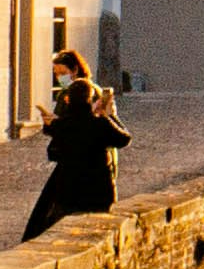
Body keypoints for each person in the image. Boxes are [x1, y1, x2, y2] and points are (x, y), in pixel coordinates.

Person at [22, 59, 126, 239]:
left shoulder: (64, 124)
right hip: (98, 191)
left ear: (69, 99)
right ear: (90, 99)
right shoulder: (100, 124)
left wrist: (51, 123)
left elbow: (53, 151)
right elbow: (124, 139)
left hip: (68, 189)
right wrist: (109, 116)